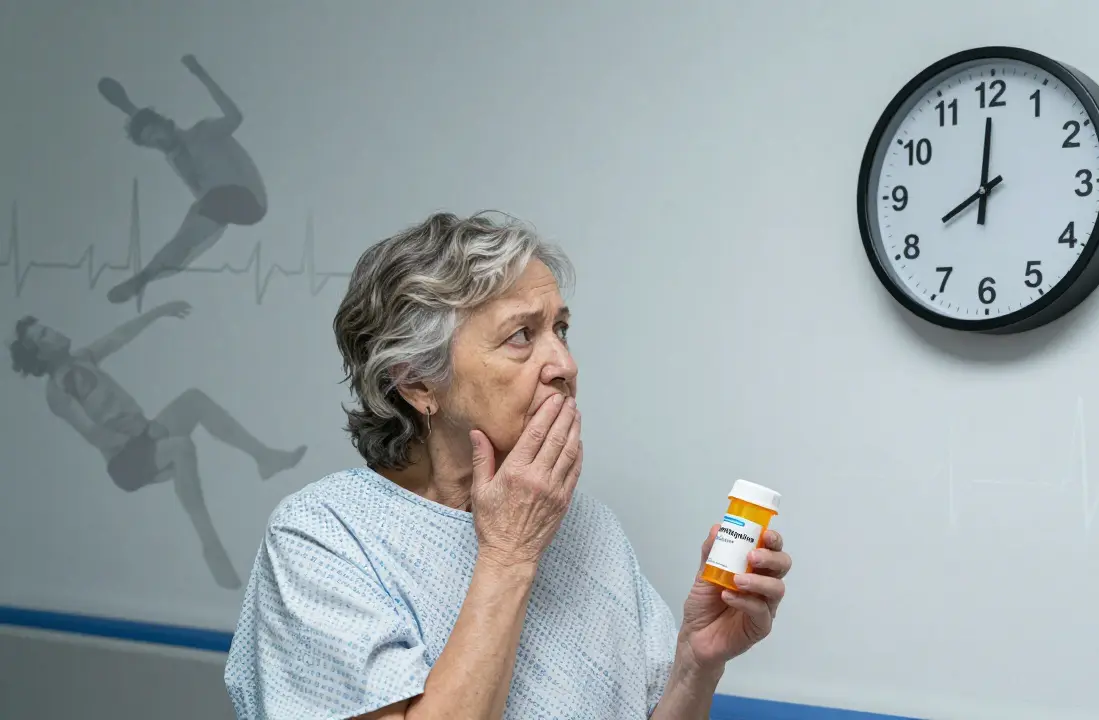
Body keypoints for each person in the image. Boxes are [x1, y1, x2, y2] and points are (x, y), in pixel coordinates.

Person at [223, 211, 793, 719]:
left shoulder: (592, 530)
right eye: (522, 336)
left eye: (560, 329)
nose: (564, 364)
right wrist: (510, 553)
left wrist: (697, 662)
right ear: (417, 379)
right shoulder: (322, 536)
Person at [8, 302, 306, 589]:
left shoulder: (83, 358)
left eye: (47, 328)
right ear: (40, 354)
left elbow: (119, 335)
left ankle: (264, 458)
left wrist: (158, 312)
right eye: (43, 335)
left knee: (193, 400)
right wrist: (137, 434)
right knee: (180, 446)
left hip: (143, 439)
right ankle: (210, 545)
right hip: (125, 461)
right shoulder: (57, 392)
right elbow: (94, 434)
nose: (53, 332)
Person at [96, 54, 268, 304]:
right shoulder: (177, 159)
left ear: (167, 124)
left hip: (247, 197)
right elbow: (146, 123)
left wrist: (201, 73)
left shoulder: (204, 131)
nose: (158, 143)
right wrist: (131, 113)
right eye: (152, 143)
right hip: (222, 205)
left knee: (202, 208)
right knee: (185, 239)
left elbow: (235, 117)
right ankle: (146, 276)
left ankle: (151, 272)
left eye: (158, 135)